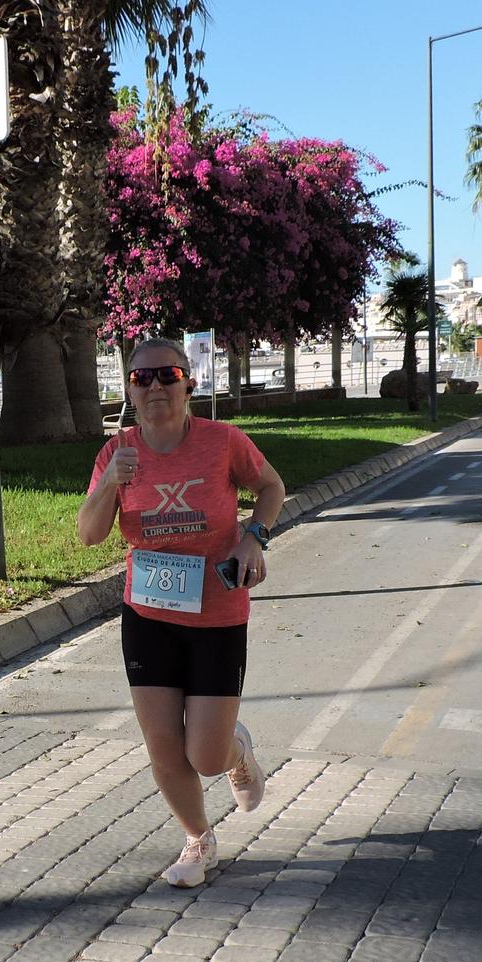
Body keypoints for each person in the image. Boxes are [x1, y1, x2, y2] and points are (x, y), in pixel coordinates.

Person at [79, 336, 288, 889]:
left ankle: (235, 749)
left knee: (206, 756)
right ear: (127, 388)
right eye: (140, 378)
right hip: (147, 617)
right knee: (163, 746)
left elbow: (271, 486)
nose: (154, 387)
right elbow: (89, 535)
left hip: (217, 615)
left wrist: (253, 540)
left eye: (166, 375)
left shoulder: (221, 442)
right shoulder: (116, 453)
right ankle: (198, 839)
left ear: (188, 383)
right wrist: (108, 483)